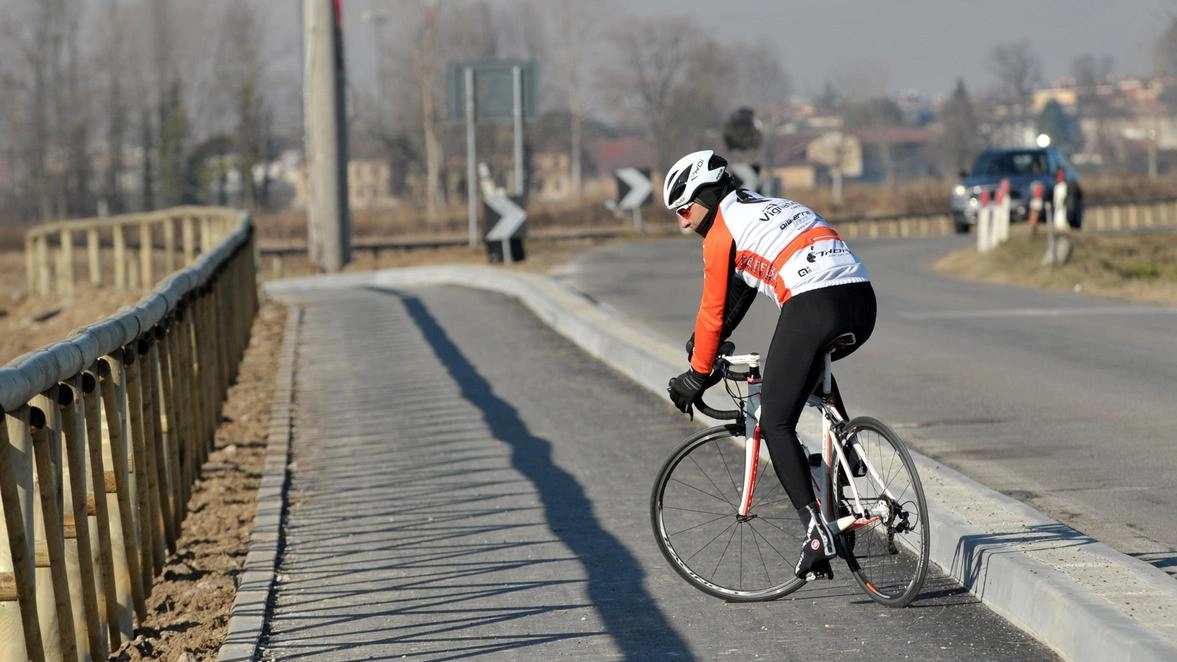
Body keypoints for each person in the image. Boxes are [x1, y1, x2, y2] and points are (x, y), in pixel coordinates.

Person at [663, 149, 877, 580]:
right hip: (861, 298)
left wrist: (697, 375)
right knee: (804, 373)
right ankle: (849, 457)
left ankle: (817, 534)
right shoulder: (765, 205)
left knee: (777, 420)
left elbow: (713, 307)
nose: (683, 222)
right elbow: (738, 293)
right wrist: (711, 341)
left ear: (705, 196)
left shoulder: (721, 232)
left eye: (685, 209)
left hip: (813, 302)